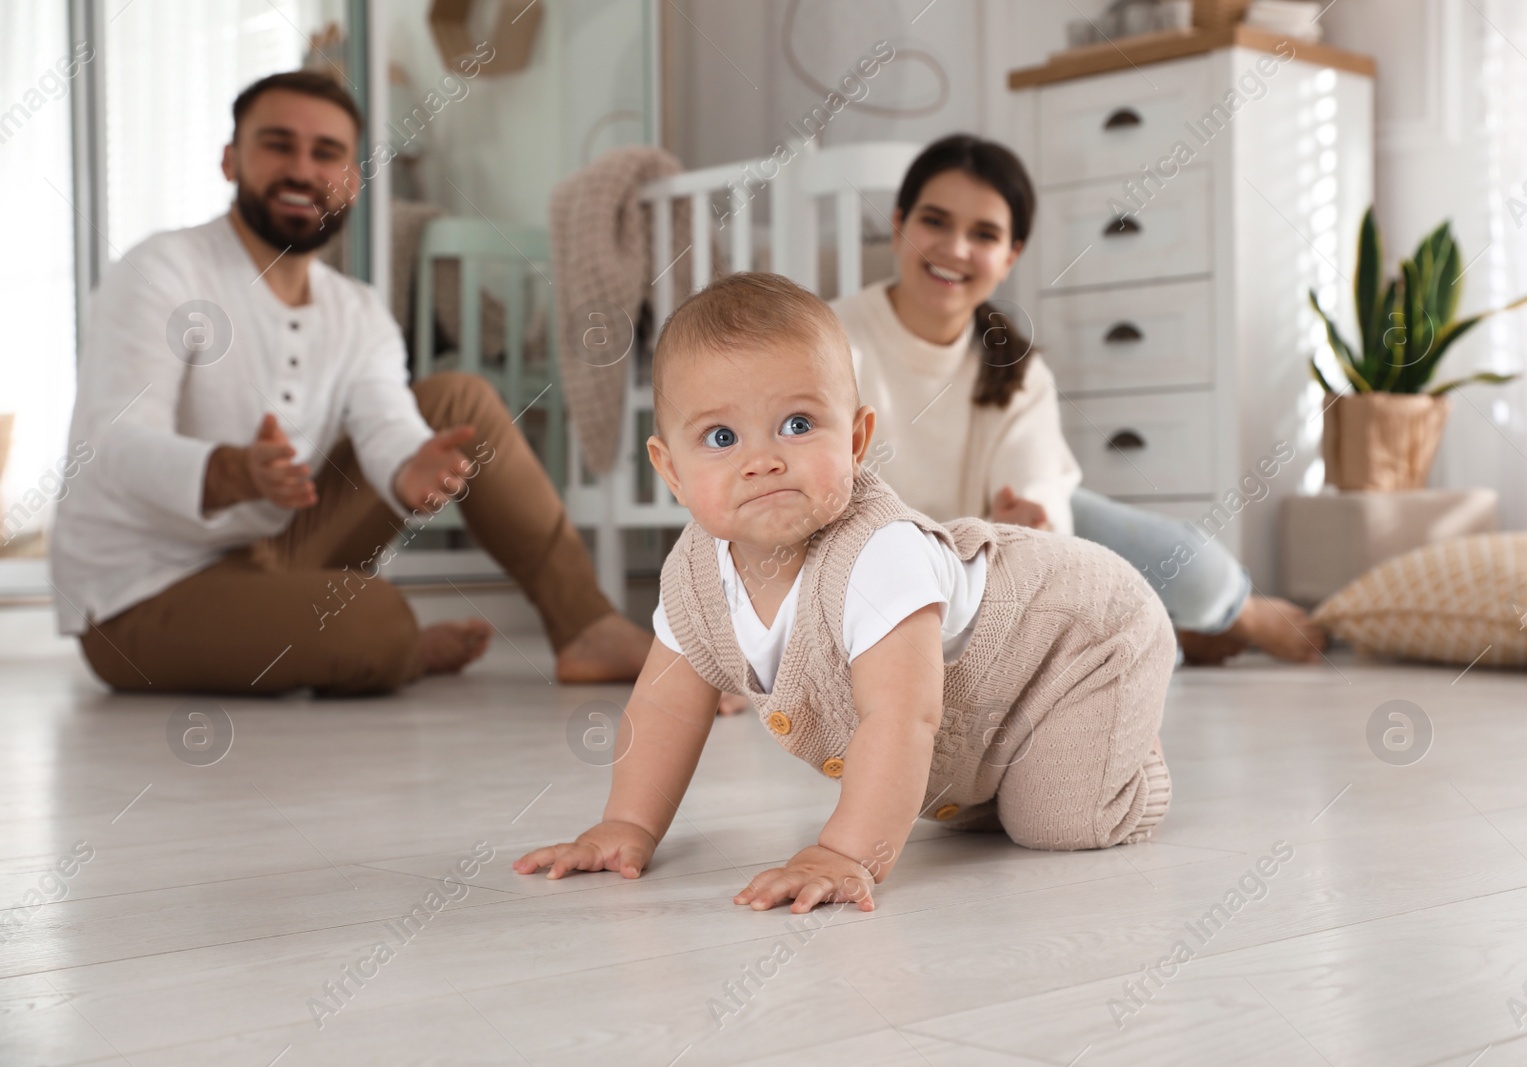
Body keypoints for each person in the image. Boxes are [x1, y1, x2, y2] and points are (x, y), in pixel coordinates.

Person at [513, 273, 1173, 913]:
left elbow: (900, 717)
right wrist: (626, 823)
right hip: (996, 702)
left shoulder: (878, 553)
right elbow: (663, 710)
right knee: (967, 803)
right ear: (671, 471)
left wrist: (846, 851)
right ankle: (1046, 756)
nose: (764, 459)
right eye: (721, 437)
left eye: (798, 425)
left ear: (856, 440)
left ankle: (1130, 758)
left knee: (1056, 820)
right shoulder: (694, 575)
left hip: (1086, 634)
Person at [51, 70, 650, 695]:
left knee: (461, 400)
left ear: (352, 183)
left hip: (277, 551)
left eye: (326, 153)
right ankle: (394, 650)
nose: (302, 170)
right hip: (144, 591)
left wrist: (407, 465)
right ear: (231, 160)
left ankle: (586, 626)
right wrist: (229, 471)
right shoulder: (161, 270)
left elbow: (385, 419)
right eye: (278, 145)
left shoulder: (358, 309)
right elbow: (112, 444)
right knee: (375, 624)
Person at [832, 133, 1327, 668]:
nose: (955, 249)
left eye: (984, 234)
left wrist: (1029, 521)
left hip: (987, 550)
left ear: (1009, 257)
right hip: (897, 562)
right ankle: (1183, 636)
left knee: (1198, 576)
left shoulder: (1017, 371)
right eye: (935, 221)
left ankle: (1239, 614)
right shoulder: (827, 337)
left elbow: (1035, 510)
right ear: (899, 223)